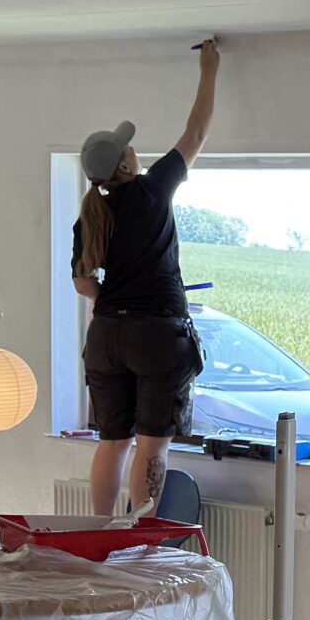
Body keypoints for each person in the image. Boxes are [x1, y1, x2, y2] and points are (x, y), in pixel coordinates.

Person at [72, 38, 221, 519]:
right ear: (124, 164)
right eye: (128, 148)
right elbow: (196, 133)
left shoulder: (90, 216)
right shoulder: (153, 190)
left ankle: (101, 531)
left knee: (112, 442)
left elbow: (83, 284)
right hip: (157, 334)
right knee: (152, 446)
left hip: (105, 337)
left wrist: (113, 302)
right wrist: (209, 70)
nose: (134, 150)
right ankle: (140, 542)